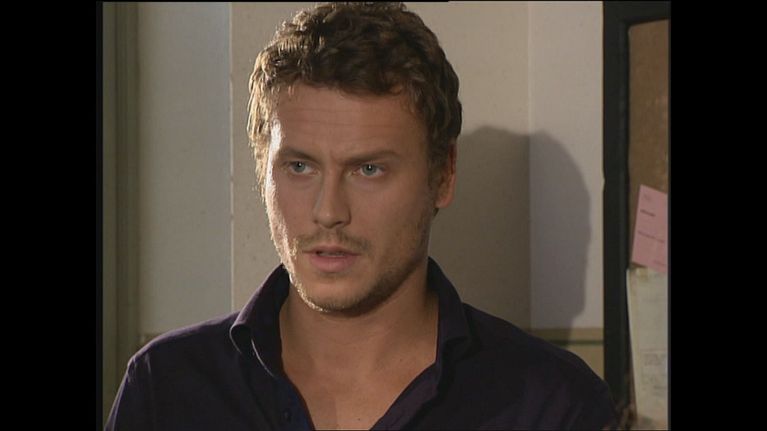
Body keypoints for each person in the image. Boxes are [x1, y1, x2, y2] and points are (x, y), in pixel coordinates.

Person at [105, 2, 617, 430]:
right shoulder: (167, 389)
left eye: (368, 169)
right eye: (300, 167)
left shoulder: (551, 405)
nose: (329, 211)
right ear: (263, 170)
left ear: (443, 175)